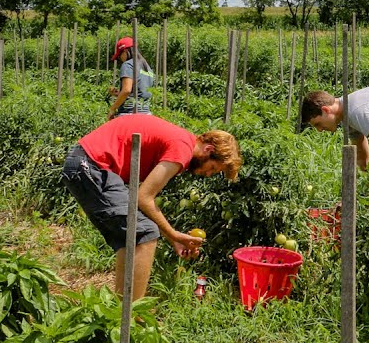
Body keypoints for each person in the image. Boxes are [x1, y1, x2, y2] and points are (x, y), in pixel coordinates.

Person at [61, 114, 241, 301]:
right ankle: (130, 315)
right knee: (145, 233)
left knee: (132, 235)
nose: (208, 174)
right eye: (212, 168)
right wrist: (173, 234)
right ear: (208, 149)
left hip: (93, 165)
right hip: (90, 165)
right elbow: (144, 198)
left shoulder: (181, 141)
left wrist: (174, 240)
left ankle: (120, 311)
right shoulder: (182, 148)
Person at [107, 37, 155, 118]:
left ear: (125, 51)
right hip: (146, 114)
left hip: (129, 113)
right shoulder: (147, 67)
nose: (121, 59)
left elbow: (127, 90)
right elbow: (141, 93)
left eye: (119, 56)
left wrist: (112, 109)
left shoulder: (128, 65)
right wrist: (118, 93)